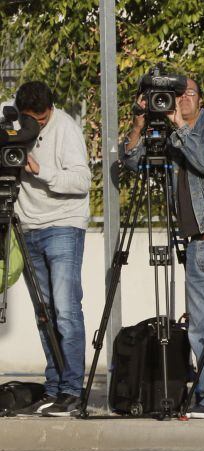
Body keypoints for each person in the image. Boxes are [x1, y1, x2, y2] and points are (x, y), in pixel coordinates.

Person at [123, 77, 204, 418]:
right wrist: (138, 123)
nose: (180, 101)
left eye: (187, 94)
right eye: (174, 95)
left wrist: (179, 126)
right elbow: (135, 163)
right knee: (198, 327)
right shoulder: (170, 136)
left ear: (201, 99)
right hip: (195, 242)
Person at [12, 81, 92, 417]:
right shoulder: (12, 122)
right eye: (31, 119)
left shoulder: (67, 129)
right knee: (44, 313)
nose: (36, 125)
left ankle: (72, 390)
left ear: (50, 109)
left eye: (41, 119)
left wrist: (40, 171)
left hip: (62, 225)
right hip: (27, 226)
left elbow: (82, 181)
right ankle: (54, 386)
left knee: (66, 310)